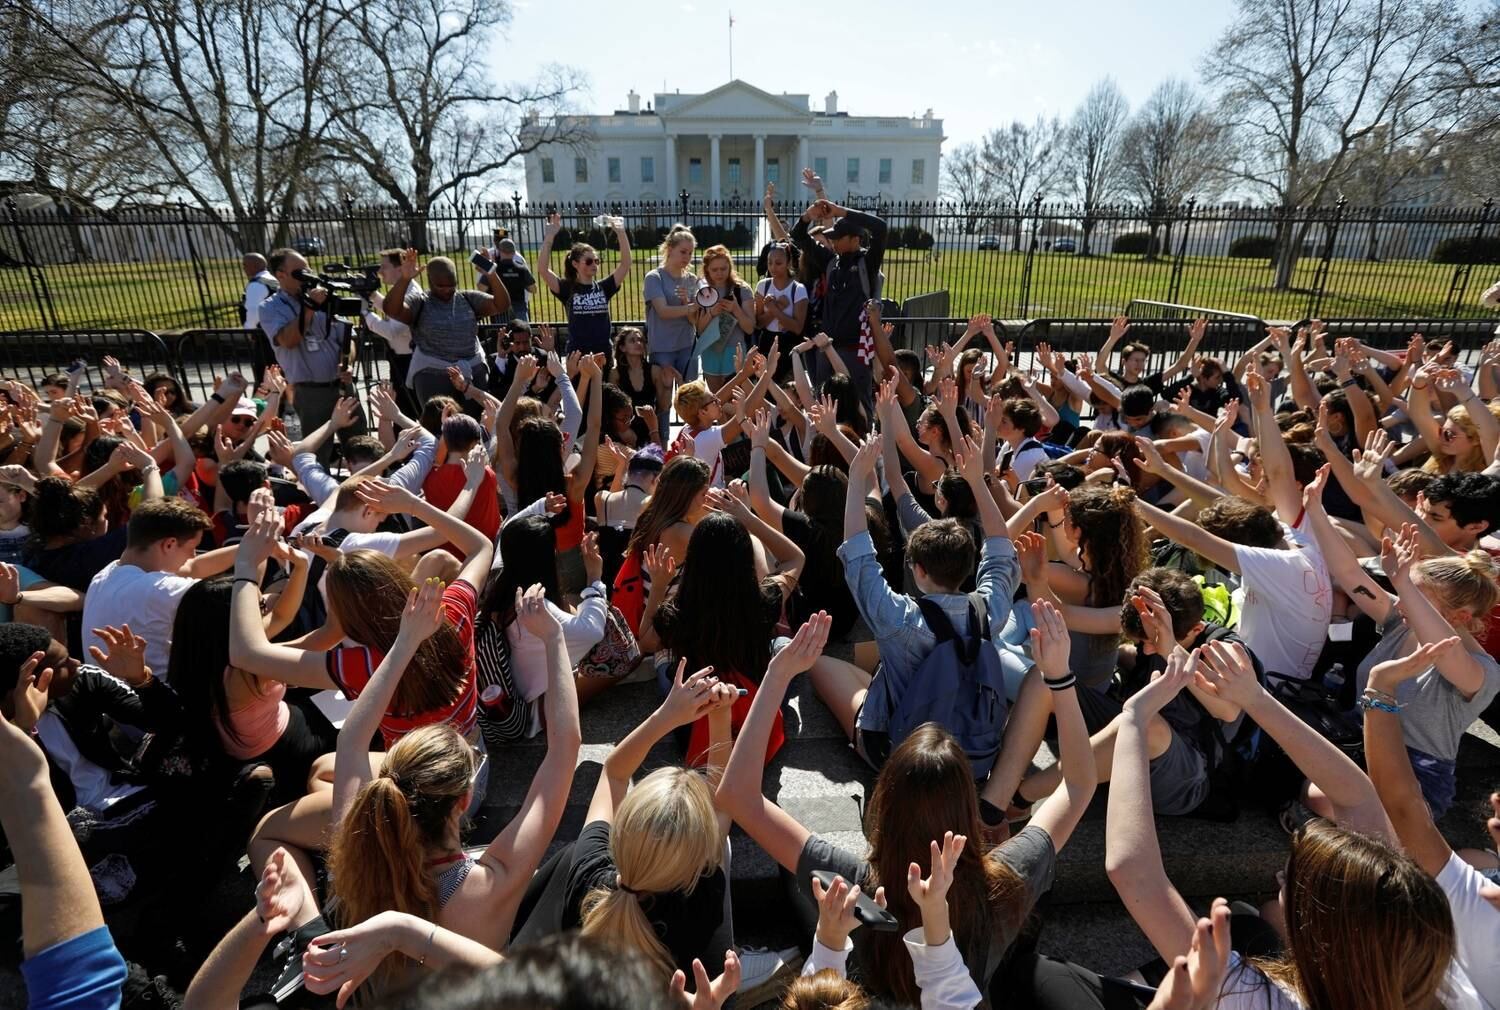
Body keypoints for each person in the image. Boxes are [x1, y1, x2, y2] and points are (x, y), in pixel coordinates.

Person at [717, 609, 1102, 1007]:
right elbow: (1078, 784)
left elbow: (737, 796)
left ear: (883, 806)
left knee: (803, 886)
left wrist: (778, 674)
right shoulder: (1003, 882)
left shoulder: (857, 887)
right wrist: (1060, 678)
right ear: (969, 811)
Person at [1107, 643, 1489, 1010]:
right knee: (1255, 927)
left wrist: (1136, 718)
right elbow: (1359, 798)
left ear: (1317, 930)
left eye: (1288, 879)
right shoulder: (1436, 964)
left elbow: (1133, 871)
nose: (1278, 877)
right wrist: (1254, 698)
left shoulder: (1258, 997)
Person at [510, 660, 739, 985]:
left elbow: (614, 773)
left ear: (624, 830)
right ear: (692, 862)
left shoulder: (590, 870)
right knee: (721, 848)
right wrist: (720, 717)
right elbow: (721, 809)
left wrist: (667, 715)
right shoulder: (699, 896)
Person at [808, 435, 1018, 770]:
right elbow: (1000, 552)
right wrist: (977, 481)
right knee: (868, 676)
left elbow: (858, 558)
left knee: (818, 664)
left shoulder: (900, 618)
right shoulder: (989, 611)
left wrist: (856, 478)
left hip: (902, 755)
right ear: (967, 568)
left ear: (918, 569)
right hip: (973, 754)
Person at [0, 649, 128, 1010]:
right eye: (59, 665)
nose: (76, 664)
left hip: (101, 816)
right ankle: (139, 988)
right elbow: (33, 818)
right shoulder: (16, 738)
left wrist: (141, 678)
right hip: (33, 855)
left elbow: (157, 717)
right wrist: (22, 730)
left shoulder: (84, 684)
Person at [639, 490, 805, 767]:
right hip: (755, 716)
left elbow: (645, 643)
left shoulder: (677, 611)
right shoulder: (764, 601)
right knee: (783, 647)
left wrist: (657, 587)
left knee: (664, 666)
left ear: (693, 559)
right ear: (745, 558)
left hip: (694, 728)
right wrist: (748, 518)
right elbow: (795, 558)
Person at [80, 496, 238, 683]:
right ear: (169, 544)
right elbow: (241, 612)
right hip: (158, 702)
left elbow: (192, 568)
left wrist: (244, 548)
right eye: (193, 548)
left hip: (108, 697)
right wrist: (252, 561)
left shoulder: (106, 574)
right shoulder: (162, 590)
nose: (192, 556)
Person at [258, 247, 366, 464]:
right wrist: (309, 308)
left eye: (308, 269)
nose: (308, 276)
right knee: (317, 457)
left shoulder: (326, 299)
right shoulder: (270, 307)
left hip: (343, 388)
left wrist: (347, 363)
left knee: (362, 449)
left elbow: (348, 338)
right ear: (281, 275)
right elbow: (289, 340)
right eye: (300, 272)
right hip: (310, 393)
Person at [381, 249, 510, 407]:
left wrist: (491, 274)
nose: (447, 290)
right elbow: (391, 309)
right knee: (438, 422)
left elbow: (502, 304)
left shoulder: (467, 298)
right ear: (429, 281)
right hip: (432, 372)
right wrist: (405, 279)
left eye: (451, 285)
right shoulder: (421, 302)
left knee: (479, 421)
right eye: (441, 286)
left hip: (471, 367)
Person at [791, 199, 887, 394]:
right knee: (823, 404)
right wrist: (808, 216)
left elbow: (881, 227)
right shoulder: (831, 262)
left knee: (858, 405)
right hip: (827, 349)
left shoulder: (867, 263)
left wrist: (842, 212)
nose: (833, 242)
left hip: (855, 351)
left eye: (838, 237)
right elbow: (798, 236)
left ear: (855, 239)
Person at [538, 212, 633, 356]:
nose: (594, 264)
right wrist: (550, 236)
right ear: (575, 264)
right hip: (577, 354)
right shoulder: (567, 288)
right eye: (588, 261)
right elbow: (543, 270)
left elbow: (625, 264)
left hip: (603, 353)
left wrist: (621, 233)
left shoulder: (603, 287)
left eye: (596, 261)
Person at [645, 225, 703, 436]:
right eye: (683, 251)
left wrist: (689, 303)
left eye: (690, 252)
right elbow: (662, 311)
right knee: (664, 397)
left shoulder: (691, 280)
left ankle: (692, 440)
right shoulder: (655, 277)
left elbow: (694, 319)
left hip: (687, 346)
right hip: (663, 348)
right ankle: (661, 442)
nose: (687, 257)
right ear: (670, 249)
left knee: (692, 397)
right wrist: (689, 306)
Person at [364, 248, 420, 417]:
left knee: (406, 413)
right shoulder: (402, 288)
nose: (380, 272)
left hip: (408, 362)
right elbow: (393, 311)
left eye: (384, 267)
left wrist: (366, 314)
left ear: (400, 268)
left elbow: (392, 331)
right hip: (401, 360)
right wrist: (373, 295)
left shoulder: (410, 293)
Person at [696, 245, 756, 393]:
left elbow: (750, 328)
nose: (719, 273)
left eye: (723, 268)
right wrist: (711, 313)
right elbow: (699, 329)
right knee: (716, 400)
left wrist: (736, 309)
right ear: (707, 270)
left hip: (735, 350)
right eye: (714, 270)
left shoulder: (742, 290)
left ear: (730, 267)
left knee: (736, 400)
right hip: (710, 349)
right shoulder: (703, 291)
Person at [753, 241, 808, 374]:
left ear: (788, 263)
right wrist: (777, 308)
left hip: (789, 344)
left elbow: (797, 328)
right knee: (764, 385)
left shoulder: (798, 289)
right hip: (767, 342)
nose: (773, 267)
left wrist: (774, 309)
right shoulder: (762, 286)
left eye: (778, 263)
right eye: (769, 262)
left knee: (786, 389)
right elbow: (758, 324)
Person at [480, 237, 536, 323]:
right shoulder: (522, 268)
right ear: (514, 252)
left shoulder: (493, 269)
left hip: (499, 310)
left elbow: (482, 288)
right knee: (521, 334)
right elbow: (533, 289)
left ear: (500, 251)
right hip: (519, 310)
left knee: (502, 334)